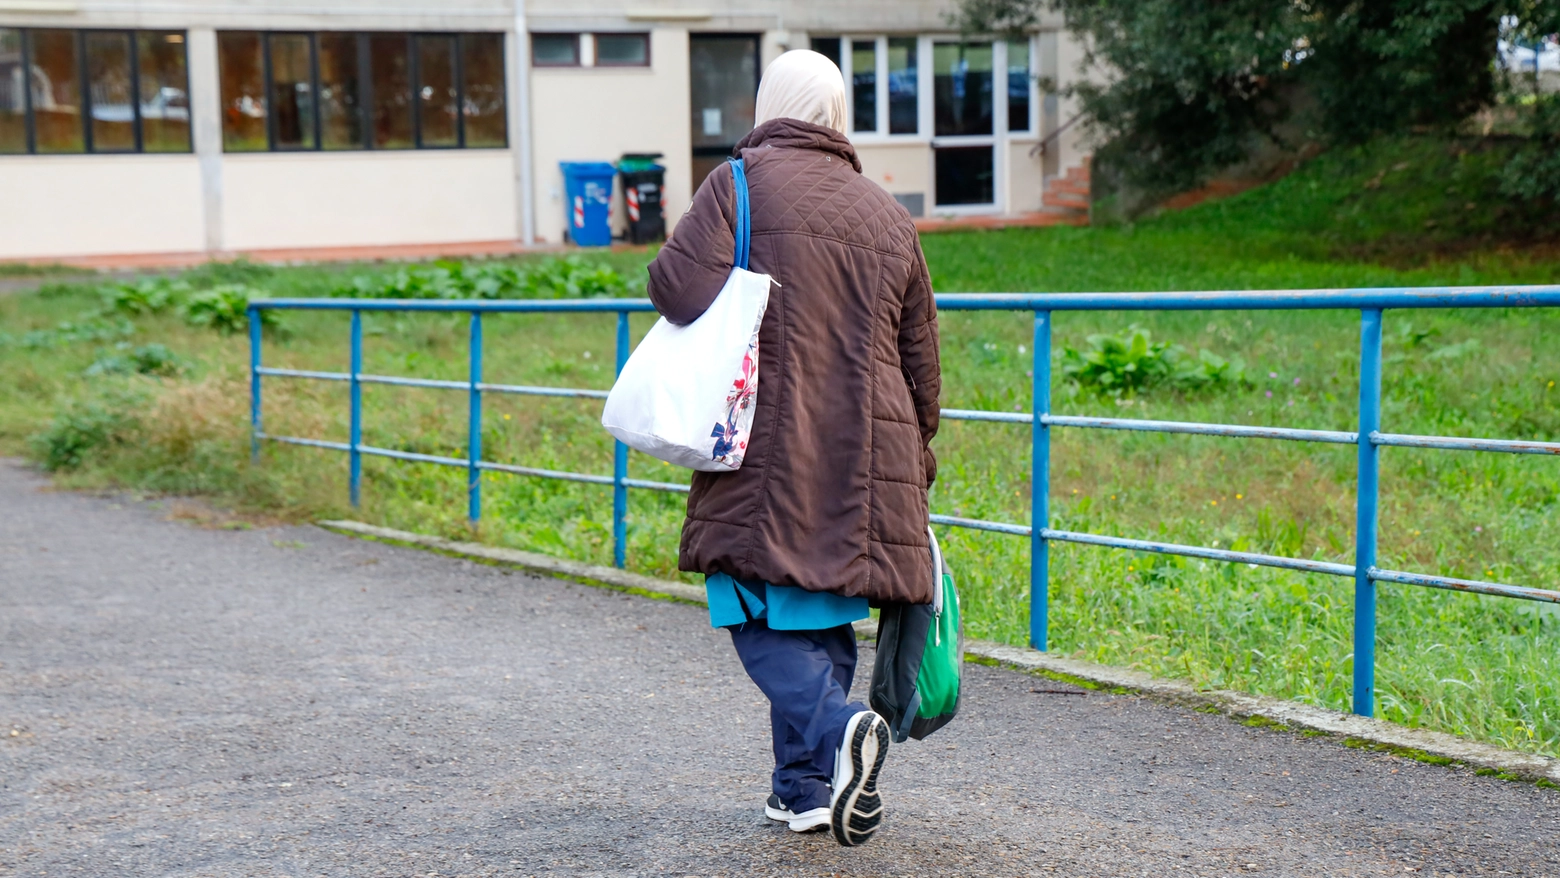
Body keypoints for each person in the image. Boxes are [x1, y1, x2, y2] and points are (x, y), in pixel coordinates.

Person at [645, 49, 941, 847]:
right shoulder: (889, 213)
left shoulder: (739, 182)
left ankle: (840, 728)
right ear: (839, 116)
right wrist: (919, 458)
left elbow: (675, 289)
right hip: (871, 454)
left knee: (750, 602)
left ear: (769, 102)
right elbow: (922, 358)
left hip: (767, 434)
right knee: (821, 609)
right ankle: (804, 792)